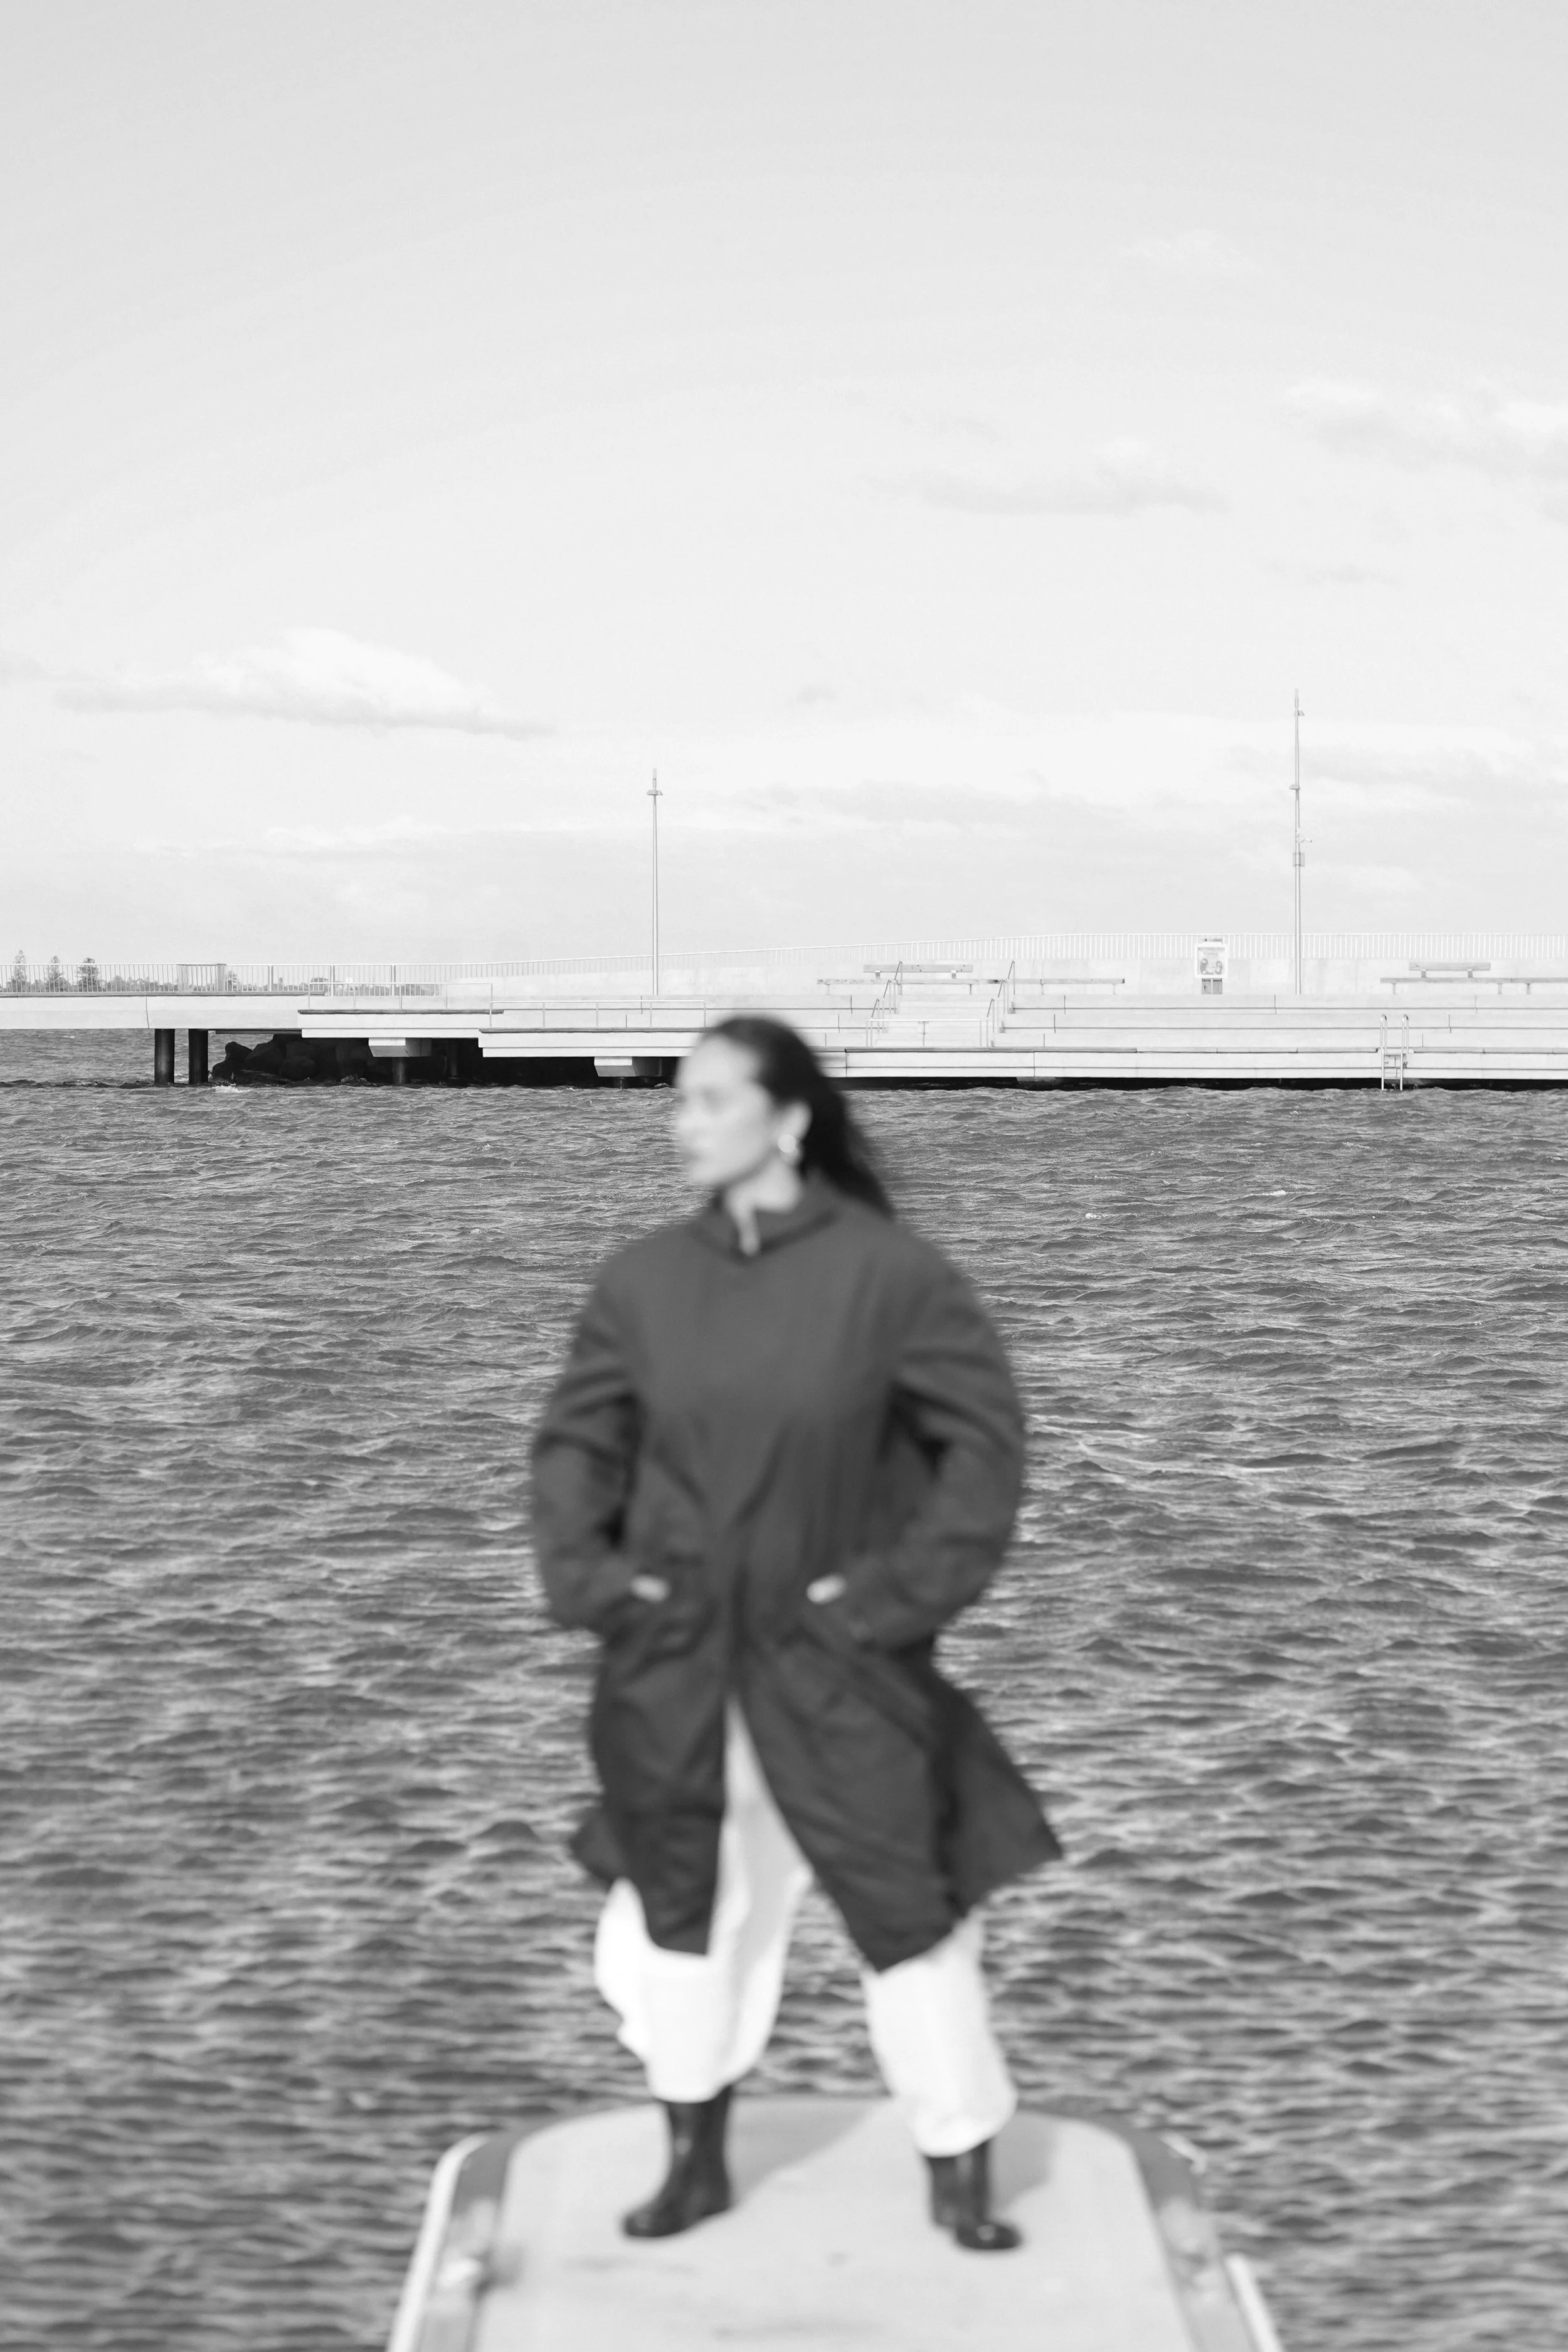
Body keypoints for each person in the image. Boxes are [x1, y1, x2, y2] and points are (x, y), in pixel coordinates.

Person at [531, 1017, 1059, 2251]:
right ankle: (692, 2159)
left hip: (841, 1665)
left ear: (789, 1119)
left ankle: (958, 2170)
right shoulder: (643, 1282)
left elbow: (982, 1460)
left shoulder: (890, 1279)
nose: (683, 1123)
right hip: (672, 1662)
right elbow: (573, 1449)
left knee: (908, 1905)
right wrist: (603, 1587)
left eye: (710, 1100)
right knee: (682, 1910)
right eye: (678, 1101)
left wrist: (879, 1604)